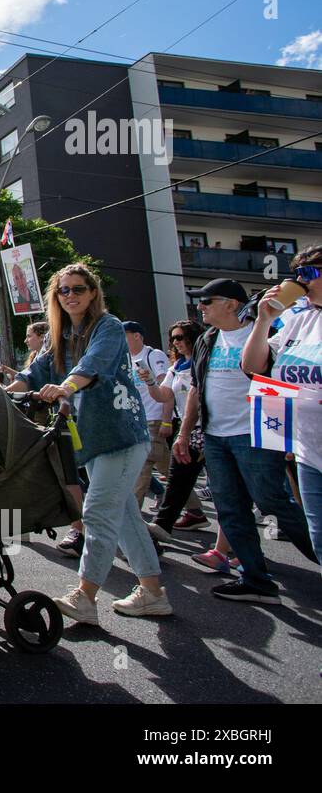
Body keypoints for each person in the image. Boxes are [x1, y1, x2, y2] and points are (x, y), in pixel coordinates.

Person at [10, 263, 174, 624]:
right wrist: (0, 394)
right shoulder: (59, 333)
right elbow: (32, 373)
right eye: (63, 290)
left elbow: (93, 364)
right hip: (93, 441)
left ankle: (85, 597)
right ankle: (152, 592)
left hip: (121, 435)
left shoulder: (108, 327)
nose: (70, 296)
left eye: (78, 289)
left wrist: (65, 387)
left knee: (97, 512)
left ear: (93, 293)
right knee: (126, 516)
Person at [173, 277, 315, 604]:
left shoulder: (263, 334)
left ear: (232, 304)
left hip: (254, 435)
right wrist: (185, 432)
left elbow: (279, 382)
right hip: (215, 437)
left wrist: (285, 437)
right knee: (230, 509)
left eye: (208, 301)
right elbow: (196, 387)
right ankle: (256, 580)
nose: (201, 307)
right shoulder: (207, 339)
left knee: (273, 502)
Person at [243, 246, 322, 582]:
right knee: (319, 542)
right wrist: (264, 320)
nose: (302, 281)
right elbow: (253, 367)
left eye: (310, 273)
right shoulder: (300, 321)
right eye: (299, 274)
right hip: (309, 452)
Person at [139, 320, 210, 538]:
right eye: (173, 338)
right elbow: (164, 395)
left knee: (225, 488)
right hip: (188, 430)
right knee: (177, 477)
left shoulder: (205, 361)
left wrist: (167, 423)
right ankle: (164, 526)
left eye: (180, 337)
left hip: (210, 429)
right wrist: (150, 381)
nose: (176, 342)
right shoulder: (176, 367)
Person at [123, 320, 173, 508]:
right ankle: (194, 509)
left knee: (141, 467)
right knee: (168, 469)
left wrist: (167, 421)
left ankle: (131, 514)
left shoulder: (154, 355)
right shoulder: (127, 359)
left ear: (137, 336)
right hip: (138, 421)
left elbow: (167, 389)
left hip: (154, 419)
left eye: (124, 335)